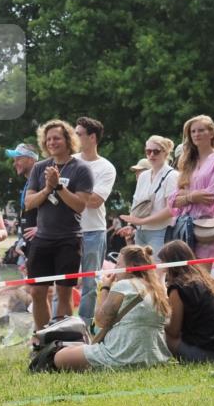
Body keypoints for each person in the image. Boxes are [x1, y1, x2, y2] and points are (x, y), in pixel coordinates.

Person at [52, 245, 172, 371]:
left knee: (59, 357)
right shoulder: (158, 289)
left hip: (120, 355)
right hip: (154, 358)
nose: (115, 269)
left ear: (130, 268)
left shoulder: (124, 285)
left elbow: (100, 321)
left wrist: (105, 288)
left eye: (118, 265)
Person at [24, 119, 93, 330]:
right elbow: (29, 203)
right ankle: (43, 339)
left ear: (68, 140)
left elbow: (80, 206)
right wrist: (47, 189)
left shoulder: (81, 169)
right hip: (42, 238)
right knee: (37, 292)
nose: (52, 142)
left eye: (57, 138)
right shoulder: (39, 168)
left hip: (69, 239)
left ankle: (61, 340)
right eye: (49, 139)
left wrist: (59, 188)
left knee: (64, 292)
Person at [169, 115, 214, 274]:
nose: (196, 134)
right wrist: (192, 197)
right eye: (193, 131)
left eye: (201, 130)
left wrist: (185, 196)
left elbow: (211, 195)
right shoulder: (187, 161)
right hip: (184, 226)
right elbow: (172, 199)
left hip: (206, 225)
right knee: (185, 275)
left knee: (201, 276)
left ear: (212, 133)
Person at [158, 240, 214, 363]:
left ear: (170, 265)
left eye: (163, 263)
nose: (161, 267)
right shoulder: (207, 280)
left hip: (207, 355)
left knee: (160, 333)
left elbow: (174, 331)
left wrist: (159, 323)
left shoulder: (178, 288)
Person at [73, 117, 117, 323]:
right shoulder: (68, 161)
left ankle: (84, 324)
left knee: (89, 283)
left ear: (92, 137)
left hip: (93, 230)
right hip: (66, 230)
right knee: (61, 282)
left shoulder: (106, 167)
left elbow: (95, 201)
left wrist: (64, 190)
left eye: (78, 134)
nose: (74, 137)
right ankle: (58, 325)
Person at [120, 135, 178, 255]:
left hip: (161, 231)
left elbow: (171, 209)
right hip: (140, 233)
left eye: (156, 151)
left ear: (166, 153)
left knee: (156, 271)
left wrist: (142, 221)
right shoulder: (143, 176)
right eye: (148, 151)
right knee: (142, 271)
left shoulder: (172, 176)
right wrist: (131, 225)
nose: (151, 155)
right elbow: (136, 203)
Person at [5, 141, 40, 267]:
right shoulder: (29, 183)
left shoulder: (43, 181)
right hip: (30, 243)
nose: (15, 164)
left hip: (42, 243)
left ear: (31, 160)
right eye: (14, 160)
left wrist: (42, 228)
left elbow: (56, 208)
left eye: (18, 159)